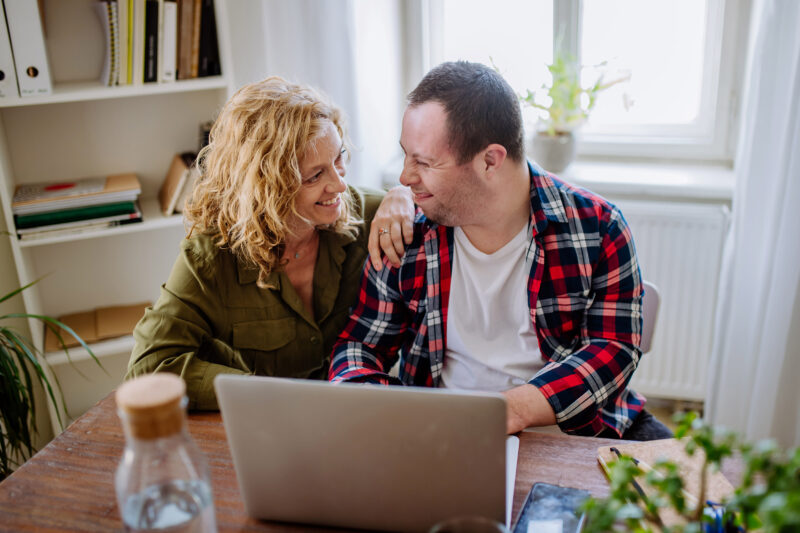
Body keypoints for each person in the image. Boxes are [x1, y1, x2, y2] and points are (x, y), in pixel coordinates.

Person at [329, 61, 671, 440]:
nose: (405, 177)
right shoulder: (408, 233)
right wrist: (387, 409)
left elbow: (614, 349)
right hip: (441, 437)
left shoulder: (599, 227)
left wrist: (510, 411)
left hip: (573, 432)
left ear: (490, 160)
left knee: (700, 494)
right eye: (406, 156)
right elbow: (361, 346)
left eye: (423, 162)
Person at [127, 77, 414, 410]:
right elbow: (149, 368)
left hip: (357, 417)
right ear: (267, 187)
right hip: (268, 426)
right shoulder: (210, 257)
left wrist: (403, 194)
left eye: (339, 158)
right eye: (314, 176)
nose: (339, 184)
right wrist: (262, 393)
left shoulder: (366, 214)